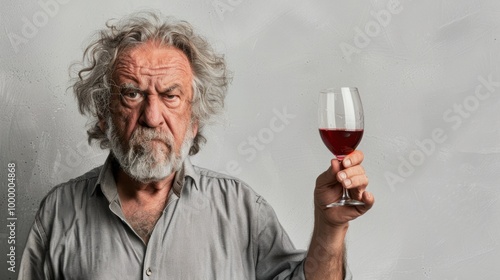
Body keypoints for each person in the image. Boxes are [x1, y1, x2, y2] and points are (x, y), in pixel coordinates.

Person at [18, 11, 373, 280]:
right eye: (131, 94)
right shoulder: (58, 212)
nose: (152, 117)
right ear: (103, 114)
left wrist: (331, 229)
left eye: (171, 96)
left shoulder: (241, 209)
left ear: (196, 117)